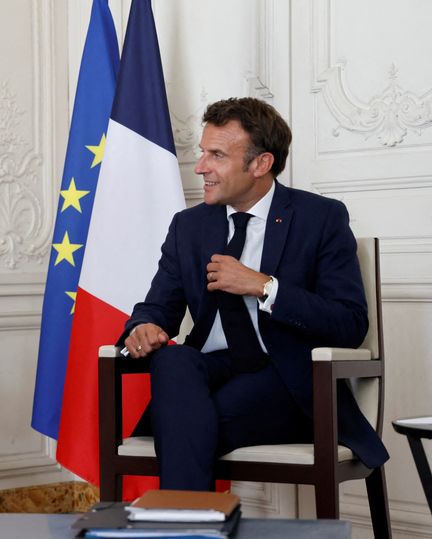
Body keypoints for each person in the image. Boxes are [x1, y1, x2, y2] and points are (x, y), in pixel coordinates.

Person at [122, 97, 389, 490]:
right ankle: (191, 525)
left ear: (260, 164)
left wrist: (264, 286)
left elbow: (349, 323)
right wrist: (143, 327)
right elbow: (157, 307)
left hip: (287, 378)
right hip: (211, 371)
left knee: (185, 422)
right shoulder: (189, 226)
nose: (200, 168)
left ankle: (182, 526)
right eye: (202, 153)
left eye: (217, 155)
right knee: (173, 364)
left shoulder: (321, 218)